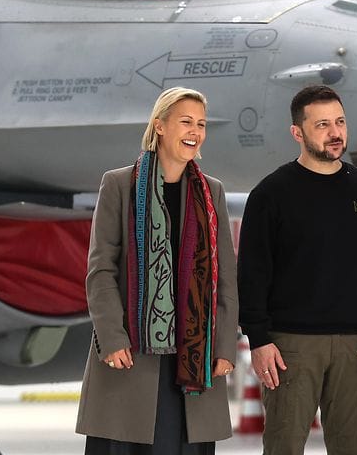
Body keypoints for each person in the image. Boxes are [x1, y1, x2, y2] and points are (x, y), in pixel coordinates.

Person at [238, 85, 357, 455]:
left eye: (340, 122)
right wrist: (259, 340)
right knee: (283, 448)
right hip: (289, 346)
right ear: (298, 133)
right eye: (323, 124)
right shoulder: (270, 194)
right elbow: (252, 273)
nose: (335, 132)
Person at [76, 87, 238, 454]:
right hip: (133, 353)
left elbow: (225, 278)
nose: (195, 131)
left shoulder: (211, 192)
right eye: (186, 122)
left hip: (194, 357)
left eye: (201, 124)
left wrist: (225, 345)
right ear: (160, 126)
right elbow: (100, 270)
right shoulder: (119, 184)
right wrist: (112, 338)